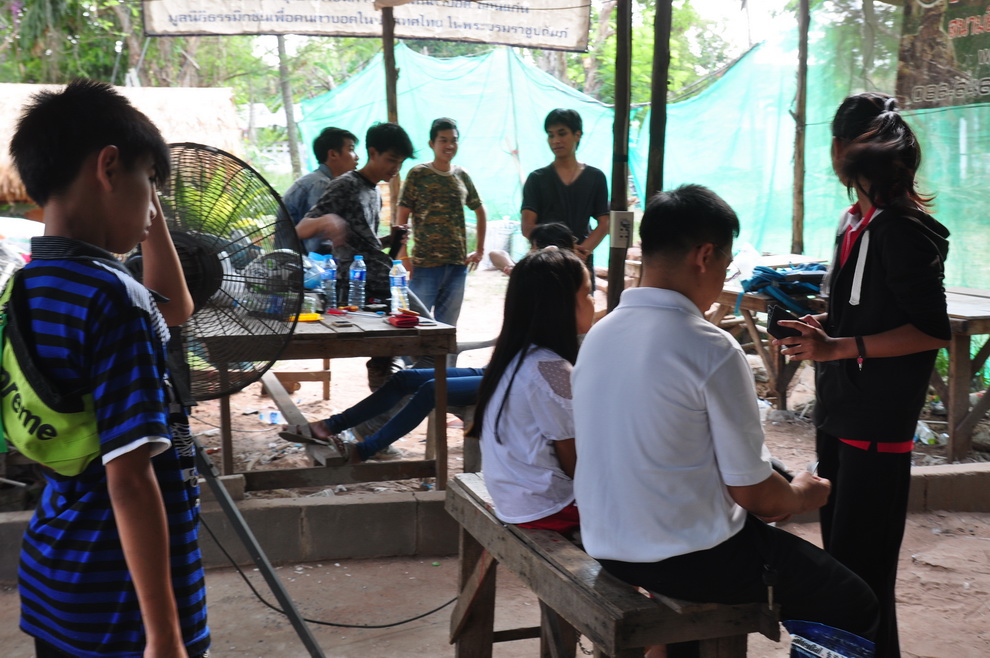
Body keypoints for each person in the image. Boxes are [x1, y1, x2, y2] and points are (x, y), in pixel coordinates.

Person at [572, 185, 879, 657]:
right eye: (725, 262)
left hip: (607, 542)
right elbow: (756, 496)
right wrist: (800, 495)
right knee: (851, 603)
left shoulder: (600, 334)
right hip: (686, 557)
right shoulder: (710, 348)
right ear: (704, 256)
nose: (722, 276)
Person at [7, 79, 209, 657]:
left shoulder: (27, 286)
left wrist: (144, 202)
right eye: (151, 181)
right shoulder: (114, 300)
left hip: (58, 579)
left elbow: (174, 308)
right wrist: (164, 637)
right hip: (122, 602)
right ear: (109, 167)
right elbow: (130, 479)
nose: (154, 206)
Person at [773, 93, 950, 658]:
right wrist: (822, 329)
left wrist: (840, 346)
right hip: (841, 414)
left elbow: (931, 331)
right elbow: (866, 311)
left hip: (875, 426)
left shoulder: (901, 231)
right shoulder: (855, 223)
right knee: (848, 573)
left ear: (840, 152)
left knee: (861, 578)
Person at [280, 225, 585, 463]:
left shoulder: (566, 299)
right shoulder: (540, 283)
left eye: (535, 249)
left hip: (514, 380)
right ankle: (329, 426)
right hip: (501, 370)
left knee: (430, 389)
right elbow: (497, 255)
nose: (531, 254)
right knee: (405, 378)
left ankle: (365, 450)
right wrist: (519, 266)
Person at [468, 247, 593, 537]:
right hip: (548, 507)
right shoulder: (551, 368)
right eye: (587, 294)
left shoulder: (518, 356)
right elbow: (575, 462)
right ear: (561, 305)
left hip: (515, 498)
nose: (592, 302)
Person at [299, 122, 414, 306]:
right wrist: (327, 220)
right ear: (373, 153)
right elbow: (300, 229)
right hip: (354, 288)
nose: (396, 168)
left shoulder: (375, 192)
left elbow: (363, 244)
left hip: (381, 281)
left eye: (401, 162)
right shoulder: (346, 185)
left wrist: (389, 240)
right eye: (392, 160)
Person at [396, 117, 487, 326]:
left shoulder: (462, 175)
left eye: (453, 140)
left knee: (447, 328)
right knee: (414, 324)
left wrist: (480, 250)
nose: (449, 145)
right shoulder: (418, 174)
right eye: (443, 140)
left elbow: (480, 211)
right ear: (432, 144)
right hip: (424, 266)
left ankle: (445, 352)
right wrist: (403, 255)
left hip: (457, 266)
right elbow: (401, 216)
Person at [521, 108, 609, 275]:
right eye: (551, 135)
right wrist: (559, 250)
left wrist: (580, 252)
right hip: (545, 263)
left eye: (562, 134)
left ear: (577, 135)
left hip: (581, 264)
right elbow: (527, 227)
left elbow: (604, 223)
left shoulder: (595, 177)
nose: (555, 141)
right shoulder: (537, 179)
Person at [283, 127, 359, 254]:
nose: (357, 157)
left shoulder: (319, 180)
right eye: (351, 149)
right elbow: (316, 246)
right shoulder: (320, 184)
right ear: (333, 154)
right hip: (297, 261)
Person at [488, 221, 576, 275]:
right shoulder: (528, 269)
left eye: (532, 247)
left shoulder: (567, 271)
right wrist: (513, 268)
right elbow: (495, 254)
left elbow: (552, 249)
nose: (529, 251)